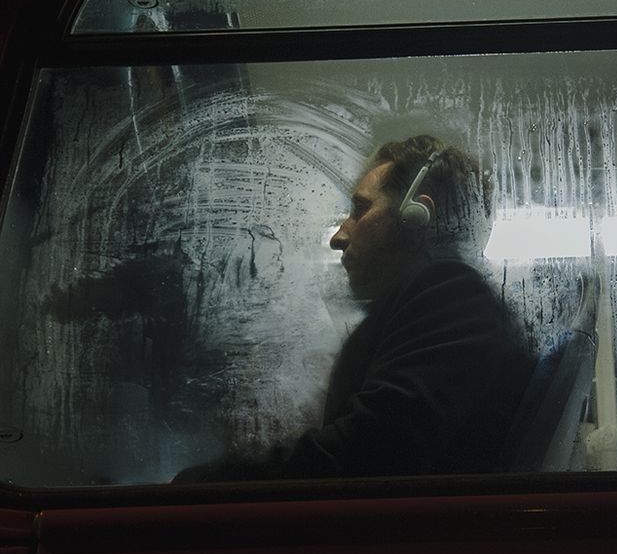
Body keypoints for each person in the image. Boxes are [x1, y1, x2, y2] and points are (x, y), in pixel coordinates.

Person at [175, 135, 536, 481]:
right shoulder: (434, 305)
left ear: (417, 216)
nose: (339, 237)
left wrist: (215, 482)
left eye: (360, 210)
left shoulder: (451, 295)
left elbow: (367, 451)